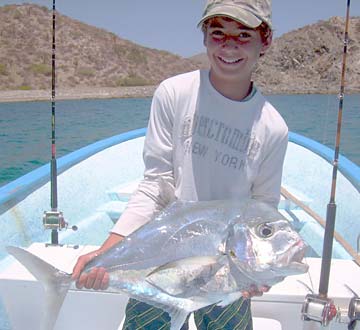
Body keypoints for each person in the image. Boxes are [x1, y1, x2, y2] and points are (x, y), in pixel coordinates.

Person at [72, 0, 288, 329]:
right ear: (204, 37)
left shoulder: (273, 127)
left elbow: (264, 210)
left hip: (227, 270)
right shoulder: (174, 93)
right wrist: (107, 252)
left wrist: (261, 270)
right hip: (161, 256)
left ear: (266, 41)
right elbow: (155, 186)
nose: (229, 46)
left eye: (244, 35)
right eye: (218, 33)